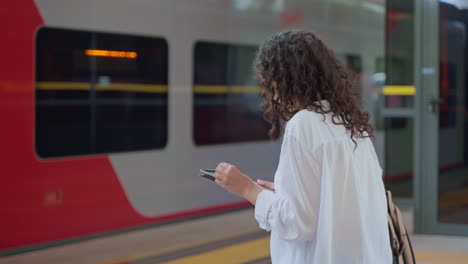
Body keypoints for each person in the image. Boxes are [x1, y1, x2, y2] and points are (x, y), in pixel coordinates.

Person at [213, 30, 392, 264]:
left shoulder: (304, 124)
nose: (276, 98)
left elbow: (298, 223)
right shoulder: (349, 123)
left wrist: (247, 189)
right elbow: (337, 196)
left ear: (297, 82)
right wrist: (286, 193)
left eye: (278, 87)